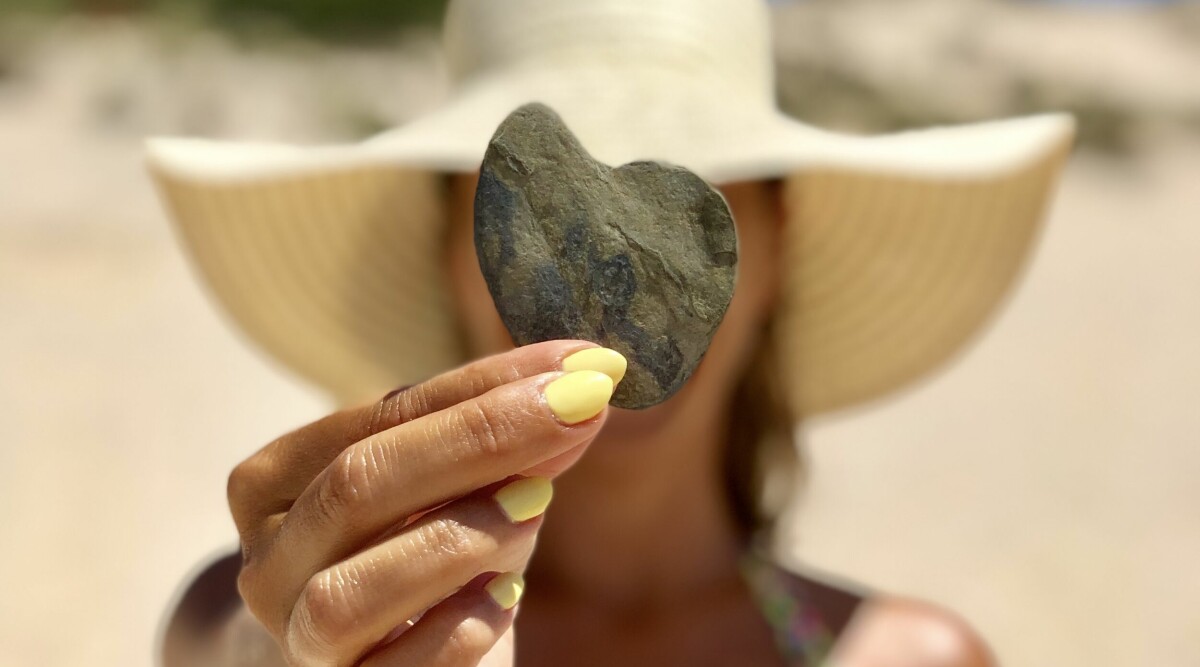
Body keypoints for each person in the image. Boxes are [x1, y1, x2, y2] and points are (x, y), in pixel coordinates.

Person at [146, 0, 1074, 665]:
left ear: (775, 251)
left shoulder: (912, 656)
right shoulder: (251, 614)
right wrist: (270, 653)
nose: (608, 301)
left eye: (674, 229)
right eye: (548, 229)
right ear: (448, 248)